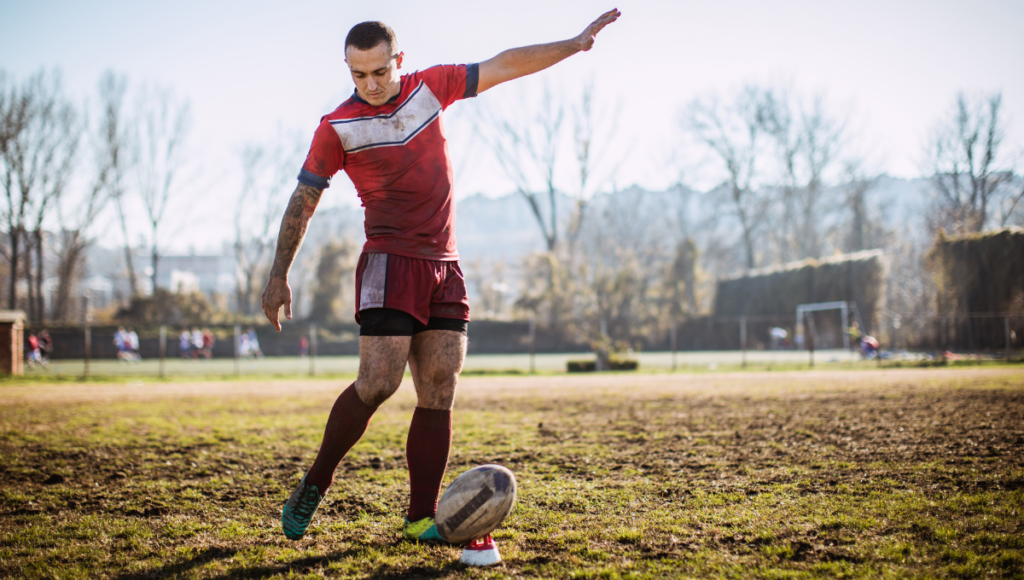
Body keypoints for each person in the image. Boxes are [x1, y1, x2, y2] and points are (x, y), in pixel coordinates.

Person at [260, 11, 620, 542]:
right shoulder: (337, 126)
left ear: (398, 61)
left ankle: (420, 518)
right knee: (378, 383)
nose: (371, 84)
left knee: (439, 388)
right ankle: (316, 480)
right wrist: (278, 275)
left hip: (445, 266)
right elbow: (303, 199)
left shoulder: (433, 87)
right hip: (390, 260)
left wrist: (574, 43)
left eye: (379, 71)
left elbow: (504, 64)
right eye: (358, 75)